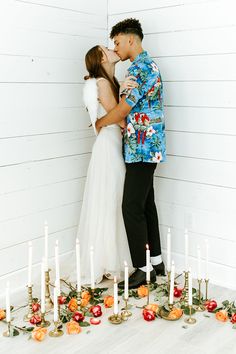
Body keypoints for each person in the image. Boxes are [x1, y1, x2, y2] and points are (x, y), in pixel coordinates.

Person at [95, 18, 166, 289]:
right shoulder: (145, 66)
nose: (116, 47)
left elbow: (124, 110)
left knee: (131, 206)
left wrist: (101, 122)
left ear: (130, 40)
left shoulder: (141, 68)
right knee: (146, 204)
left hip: (143, 146)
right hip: (145, 146)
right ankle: (156, 262)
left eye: (117, 42)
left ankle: (142, 269)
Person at [77, 45, 137, 284]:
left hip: (109, 144)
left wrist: (121, 88)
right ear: (101, 58)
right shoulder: (102, 83)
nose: (113, 49)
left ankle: (106, 258)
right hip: (109, 147)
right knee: (112, 198)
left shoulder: (108, 81)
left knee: (111, 198)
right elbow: (120, 119)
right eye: (107, 49)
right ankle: (110, 261)